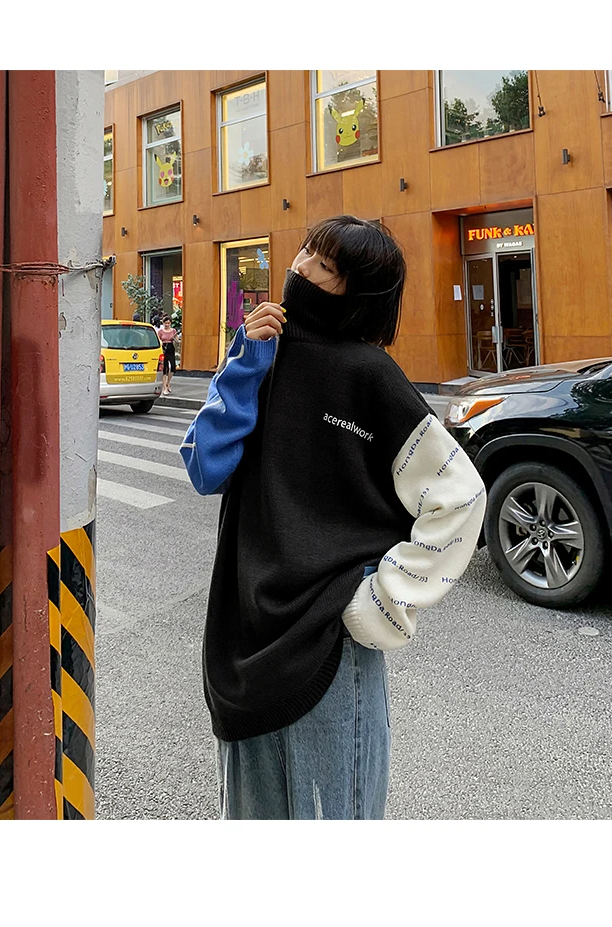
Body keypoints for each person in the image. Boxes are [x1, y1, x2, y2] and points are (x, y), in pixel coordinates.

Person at [180, 215, 486, 820]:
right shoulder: (262, 355)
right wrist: (244, 364)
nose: (301, 269)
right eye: (306, 253)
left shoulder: (367, 374)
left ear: (357, 293)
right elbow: (205, 468)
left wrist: (381, 599)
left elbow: (460, 495)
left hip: (330, 644)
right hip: (241, 637)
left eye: (325, 267)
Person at [157, 315, 178, 394]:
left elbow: (177, 341)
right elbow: (158, 339)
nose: (167, 325)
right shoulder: (160, 331)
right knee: (164, 368)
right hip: (163, 349)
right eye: (165, 323)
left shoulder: (173, 331)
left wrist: (175, 338)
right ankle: (165, 388)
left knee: (172, 367)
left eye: (168, 323)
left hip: (170, 348)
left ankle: (168, 382)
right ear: (163, 323)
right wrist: (161, 342)